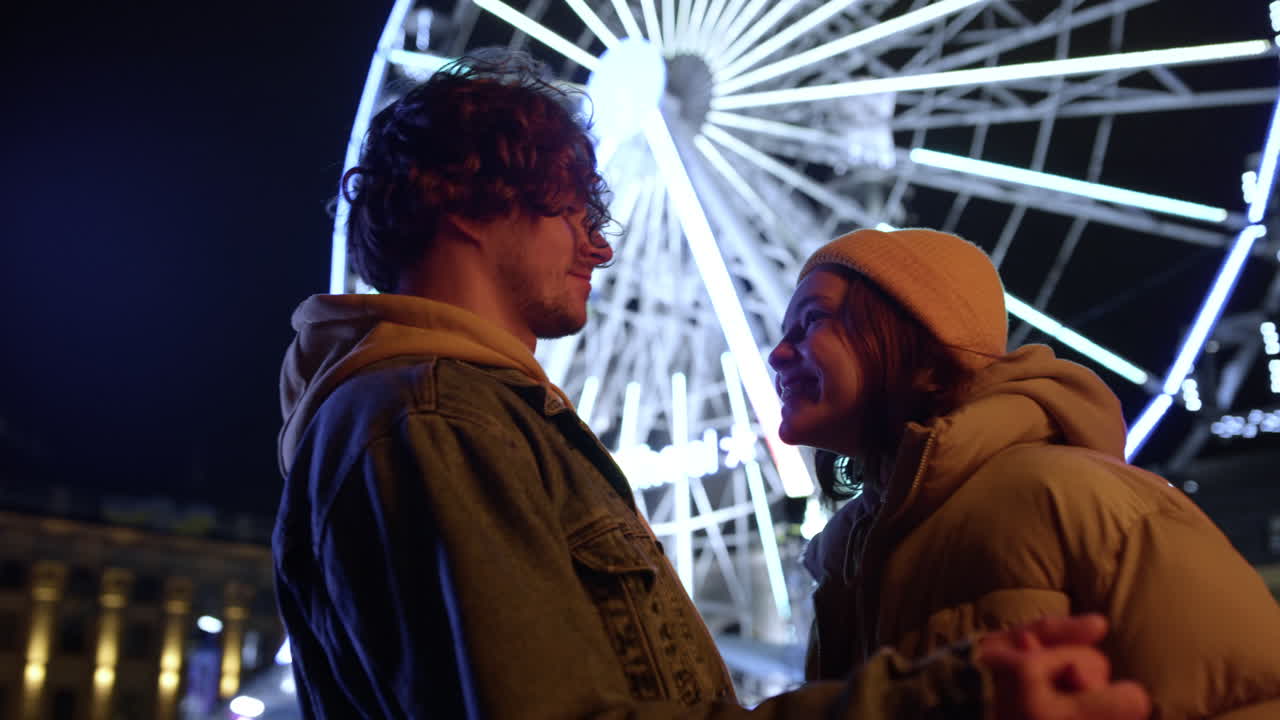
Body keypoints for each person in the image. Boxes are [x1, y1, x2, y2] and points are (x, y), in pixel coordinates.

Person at [272, 52, 1150, 719]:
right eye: (572, 211)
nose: (602, 247)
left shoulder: (450, 413)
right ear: (465, 202)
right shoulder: (435, 417)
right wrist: (935, 701)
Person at [768, 227, 1280, 719]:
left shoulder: (1077, 499)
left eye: (813, 321)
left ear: (923, 349)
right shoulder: (841, 558)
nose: (777, 355)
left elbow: (1250, 692)